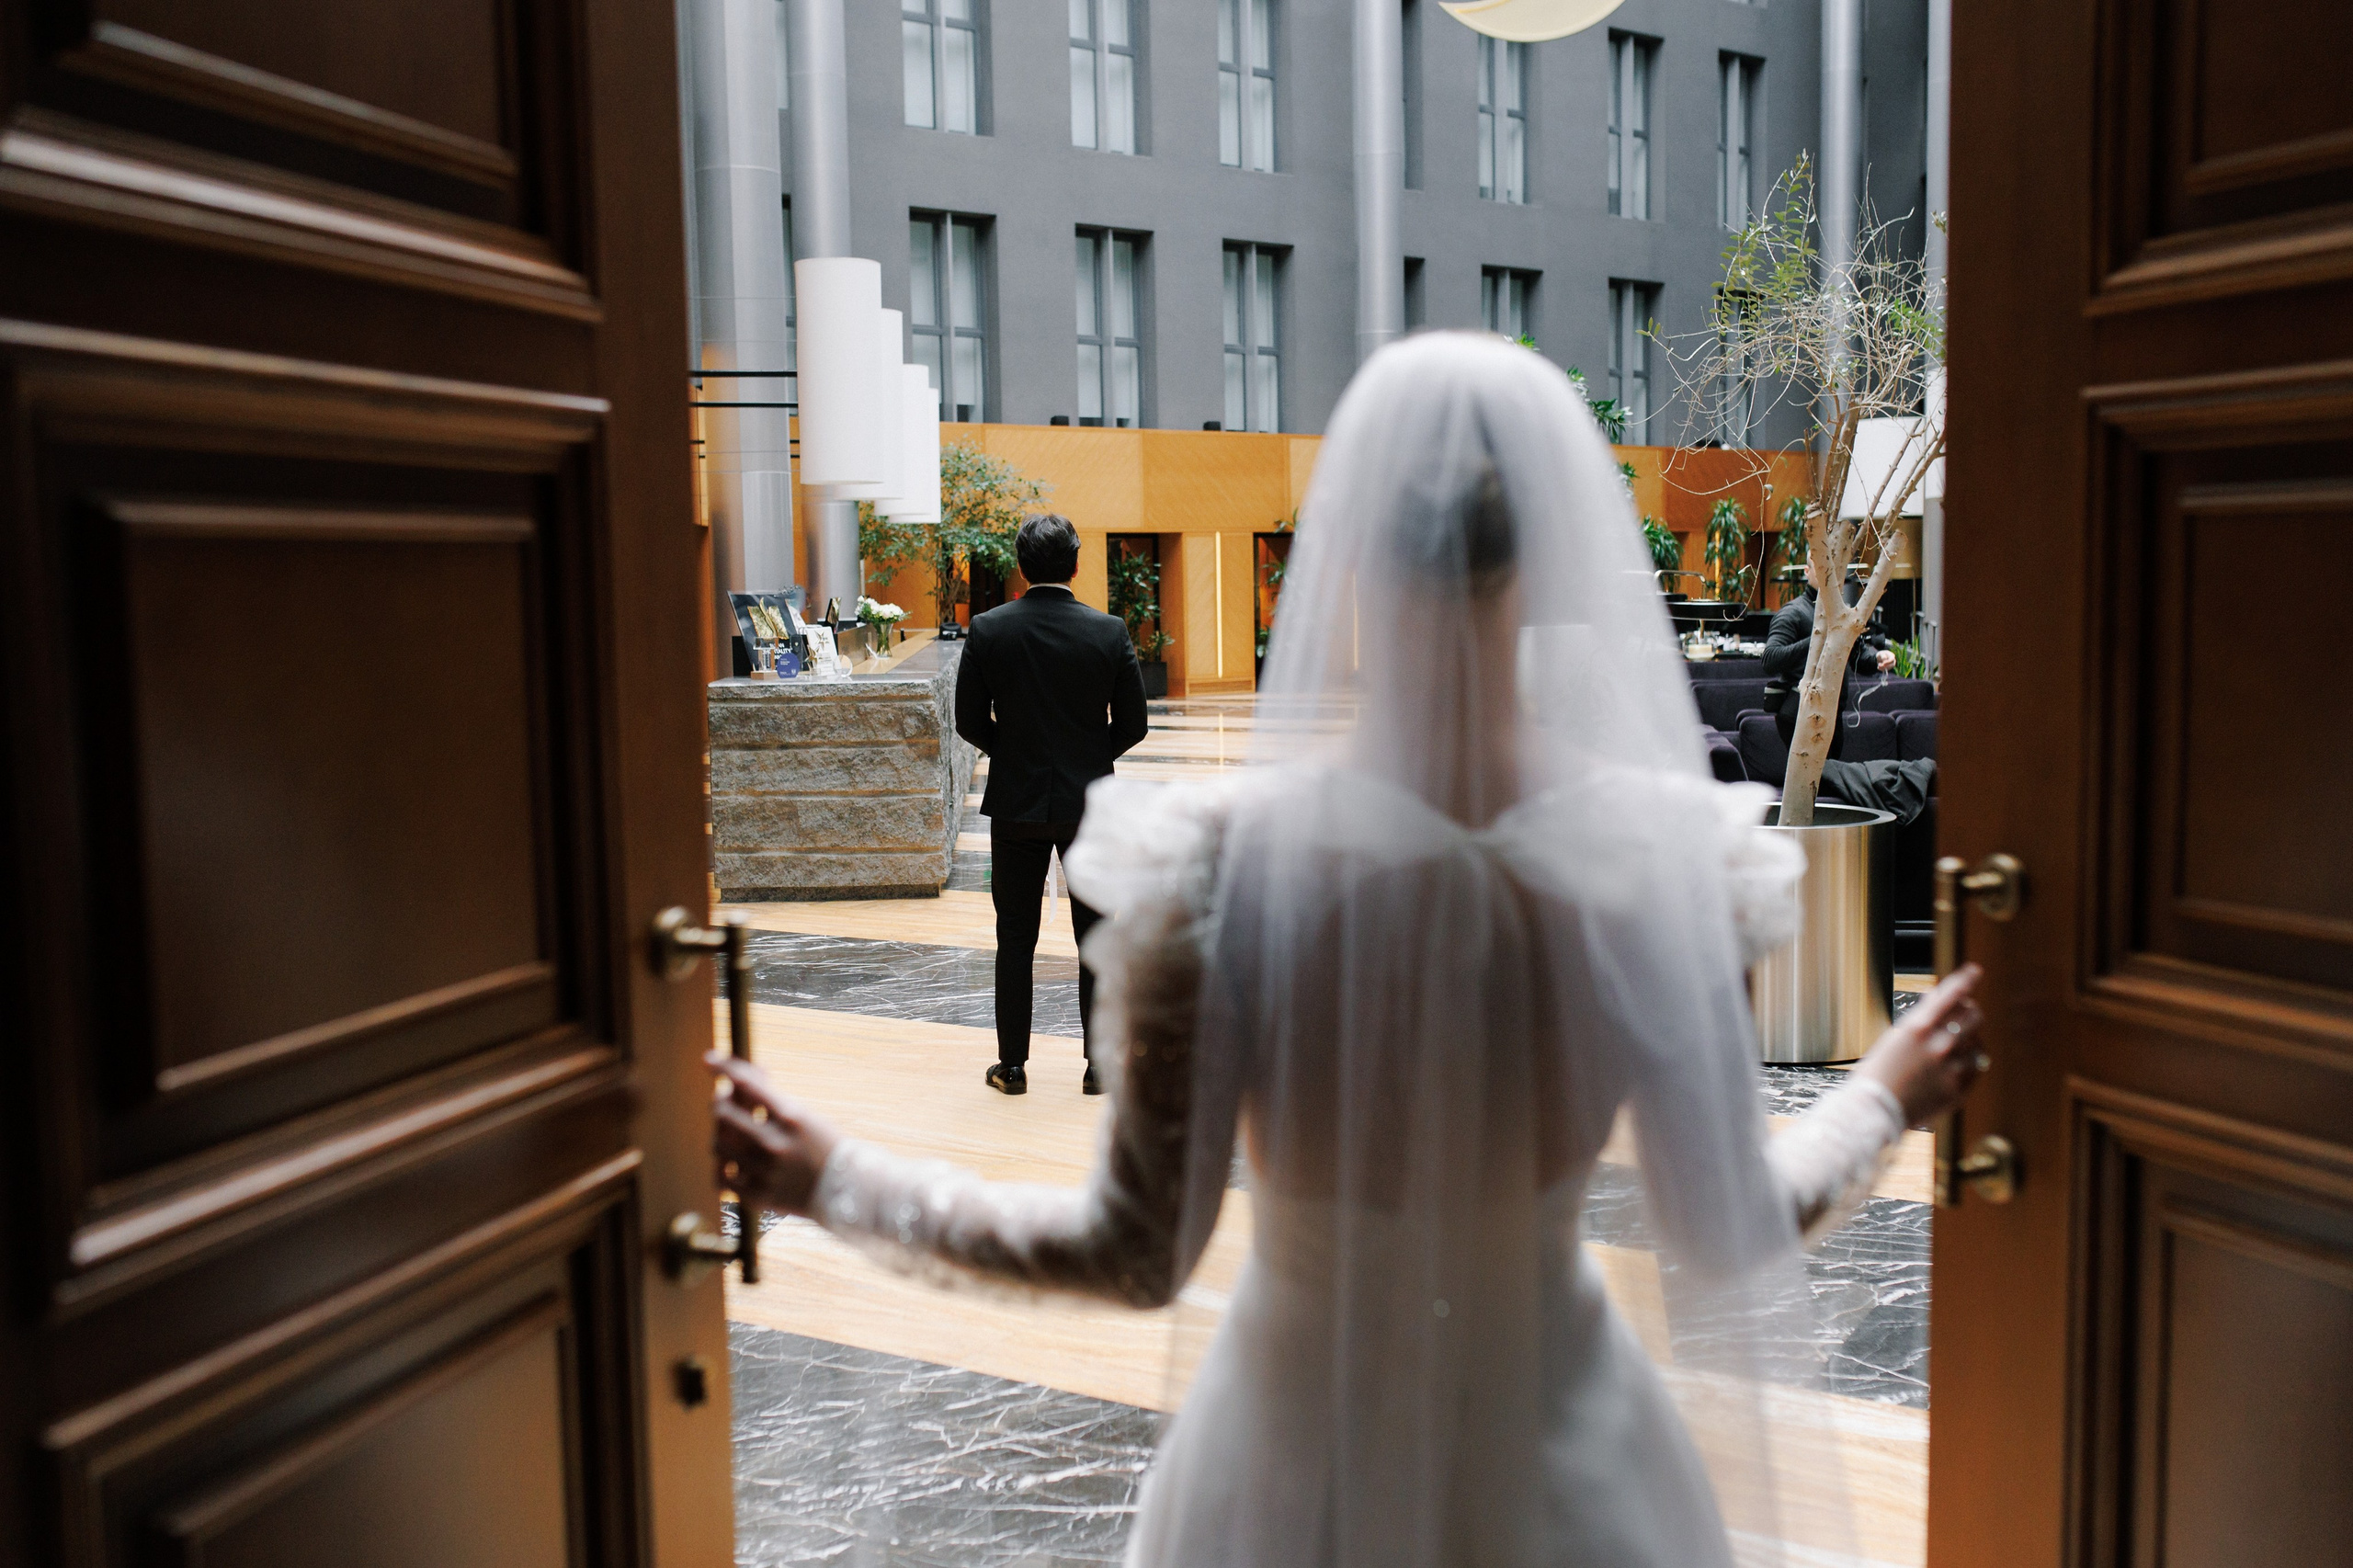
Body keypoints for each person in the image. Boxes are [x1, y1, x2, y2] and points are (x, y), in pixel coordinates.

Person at [712, 335, 1986, 1567]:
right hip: (1567, 1457)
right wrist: (1885, 1097)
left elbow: (1132, 1251)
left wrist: (837, 1176)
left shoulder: (1220, 867)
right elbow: (1727, 1227)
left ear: (1357, 564)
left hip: (1288, 1468)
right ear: (1553, 565)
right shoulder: (1659, 856)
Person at [953, 513, 1150, 1096]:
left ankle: (1012, 1067)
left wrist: (1014, 754)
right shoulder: (1108, 631)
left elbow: (968, 721)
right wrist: (1087, 759)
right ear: (1077, 563)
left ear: (1020, 564)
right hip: (1087, 804)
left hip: (1015, 805)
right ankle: (1098, 1068)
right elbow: (1134, 724)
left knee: (1015, 936)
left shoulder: (989, 628)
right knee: (1095, 933)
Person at [1761, 559, 1894, 757]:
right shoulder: (1792, 612)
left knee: (1828, 781)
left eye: (1835, 569)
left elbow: (1858, 658)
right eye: (1822, 568)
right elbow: (1770, 660)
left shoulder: (1841, 613)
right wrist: (1817, 640)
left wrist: (1878, 659)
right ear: (1807, 571)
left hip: (1832, 713)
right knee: (1813, 784)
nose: (1830, 575)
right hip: (1800, 712)